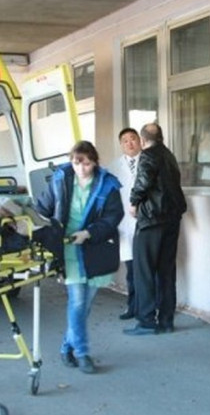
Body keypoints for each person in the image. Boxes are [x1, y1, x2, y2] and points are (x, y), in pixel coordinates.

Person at [35, 140, 123, 374]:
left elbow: (113, 217)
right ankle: (82, 353)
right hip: (68, 250)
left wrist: (88, 233)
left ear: (95, 162)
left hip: (94, 249)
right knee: (77, 302)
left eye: (87, 163)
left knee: (85, 305)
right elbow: (42, 208)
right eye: (77, 163)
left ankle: (66, 347)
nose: (82, 168)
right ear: (71, 162)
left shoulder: (108, 185)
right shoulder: (60, 180)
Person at [124, 123, 187, 335]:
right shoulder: (169, 155)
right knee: (166, 272)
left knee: (144, 272)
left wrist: (134, 202)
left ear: (142, 140)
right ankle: (166, 321)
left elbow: (143, 182)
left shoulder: (148, 155)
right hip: (172, 219)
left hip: (151, 219)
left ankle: (146, 321)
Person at [106, 127, 142, 320]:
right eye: (125, 141)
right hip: (125, 224)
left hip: (146, 222)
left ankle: (150, 308)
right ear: (121, 145)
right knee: (132, 269)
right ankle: (133, 307)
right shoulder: (113, 168)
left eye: (133, 139)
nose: (130, 143)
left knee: (149, 268)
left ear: (140, 141)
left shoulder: (149, 162)